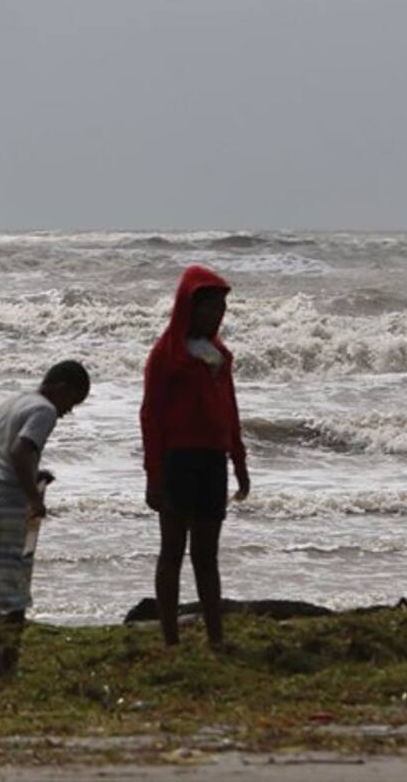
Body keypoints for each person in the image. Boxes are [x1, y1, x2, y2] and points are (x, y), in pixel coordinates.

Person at [140, 266, 251, 648]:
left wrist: (238, 460)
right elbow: (150, 416)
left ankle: (215, 637)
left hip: (212, 460)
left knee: (207, 554)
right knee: (172, 549)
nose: (218, 315)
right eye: (211, 307)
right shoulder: (166, 354)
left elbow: (230, 409)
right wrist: (153, 475)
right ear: (190, 307)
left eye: (222, 308)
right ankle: (171, 639)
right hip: (177, 459)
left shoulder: (219, 354)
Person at [0, 360, 90, 682]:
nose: (67, 413)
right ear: (61, 388)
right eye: (71, 403)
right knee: (17, 591)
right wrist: (34, 498)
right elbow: (20, 452)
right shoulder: (44, 410)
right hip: (7, 506)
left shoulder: (8, 402)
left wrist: (35, 476)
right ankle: (10, 669)